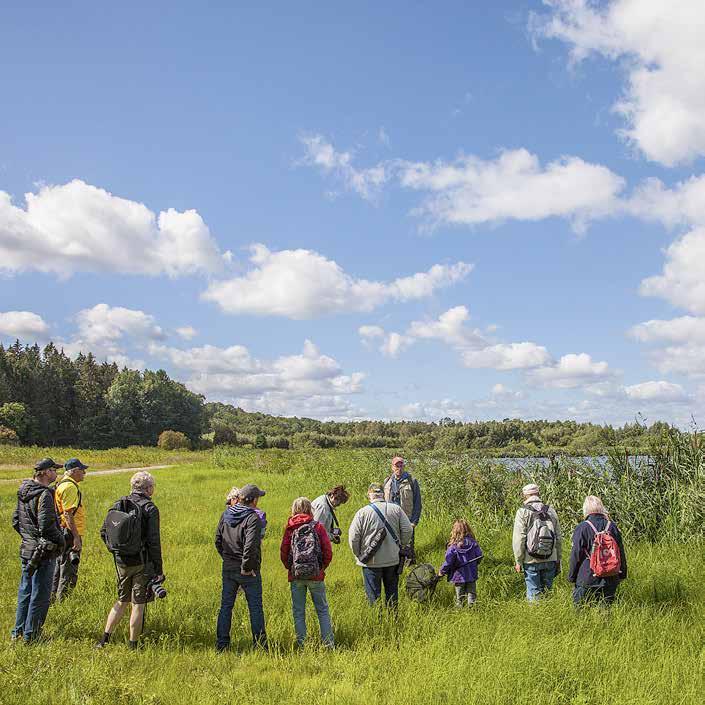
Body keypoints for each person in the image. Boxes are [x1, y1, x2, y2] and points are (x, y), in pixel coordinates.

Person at [96, 471, 164, 650]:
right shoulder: (150, 508)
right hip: (142, 562)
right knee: (138, 604)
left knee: (121, 600)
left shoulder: (119, 503)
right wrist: (158, 570)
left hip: (121, 562)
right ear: (148, 489)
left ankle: (104, 639)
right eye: (152, 487)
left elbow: (104, 532)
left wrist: (115, 551)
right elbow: (153, 541)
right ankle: (133, 645)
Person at [11, 458, 66, 643]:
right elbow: (47, 527)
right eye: (53, 470)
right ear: (44, 472)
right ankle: (32, 636)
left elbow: (15, 521)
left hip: (27, 549)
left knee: (25, 592)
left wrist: (29, 539)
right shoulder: (44, 494)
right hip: (43, 552)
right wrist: (61, 541)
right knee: (40, 596)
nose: (56, 473)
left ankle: (18, 632)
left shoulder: (23, 491)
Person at [215, 483, 267, 651]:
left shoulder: (226, 514)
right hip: (248, 570)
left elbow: (217, 540)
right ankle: (260, 646)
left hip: (228, 567)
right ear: (254, 500)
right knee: (255, 608)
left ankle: (222, 645)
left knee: (226, 606)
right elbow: (251, 545)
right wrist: (246, 567)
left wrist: (227, 558)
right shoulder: (252, 518)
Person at [280, 497, 334, 648]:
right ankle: (328, 644)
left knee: (298, 611)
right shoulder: (317, 527)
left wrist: (291, 569)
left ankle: (302, 644)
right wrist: (320, 568)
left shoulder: (290, 528)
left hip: (296, 575)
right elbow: (327, 552)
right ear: (310, 509)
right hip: (316, 575)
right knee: (322, 610)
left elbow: (283, 553)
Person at [349, 482, 412, 607]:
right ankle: (393, 620)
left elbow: (353, 538)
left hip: (370, 562)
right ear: (383, 494)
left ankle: (376, 622)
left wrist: (359, 555)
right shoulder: (396, 509)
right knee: (392, 595)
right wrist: (401, 546)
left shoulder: (362, 512)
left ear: (369, 495)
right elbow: (408, 530)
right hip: (393, 560)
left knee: (373, 597)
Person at [568, 495, 627, 607]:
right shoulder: (612, 527)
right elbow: (620, 552)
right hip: (611, 576)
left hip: (587, 577)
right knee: (605, 612)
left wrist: (572, 576)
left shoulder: (583, 527)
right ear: (601, 508)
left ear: (586, 510)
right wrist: (622, 574)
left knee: (581, 612)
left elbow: (576, 554)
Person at [512, 483, 562, 602]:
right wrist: (558, 558)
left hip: (531, 559)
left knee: (534, 593)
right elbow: (558, 537)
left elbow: (519, 538)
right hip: (550, 557)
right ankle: (550, 618)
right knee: (547, 593)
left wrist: (518, 560)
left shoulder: (522, 512)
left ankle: (535, 618)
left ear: (525, 496)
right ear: (538, 494)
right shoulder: (550, 510)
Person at [52, 457, 88, 602]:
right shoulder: (70, 487)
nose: (85, 473)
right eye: (82, 470)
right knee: (69, 569)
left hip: (62, 530)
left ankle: (52, 598)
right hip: (70, 532)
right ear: (74, 471)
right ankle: (64, 602)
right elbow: (68, 514)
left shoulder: (61, 484)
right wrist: (76, 537)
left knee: (58, 567)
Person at [383, 457, 421, 561]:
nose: (399, 468)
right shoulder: (387, 481)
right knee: (392, 544)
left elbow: (418, 502)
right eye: (396, 466)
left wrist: (414, 521)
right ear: (392, 467)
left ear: (404, 467)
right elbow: (382, 502)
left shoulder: (412, 481)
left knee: (408, 546)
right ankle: (395, 563)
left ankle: (409, 564)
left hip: (407, 519)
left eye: (401, 466)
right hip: (391, 519)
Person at [438, 519, 483, 607]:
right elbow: (479, 556)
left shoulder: (453, 547)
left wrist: (441, 572)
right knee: (472, 595)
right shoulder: (474, 543)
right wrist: (474, 565)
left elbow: (448, 562)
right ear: (468, 529)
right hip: (471, 574)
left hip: (458, 576)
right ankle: (472, 611)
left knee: (459, 597)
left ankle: (459, 612)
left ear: (454, 531)